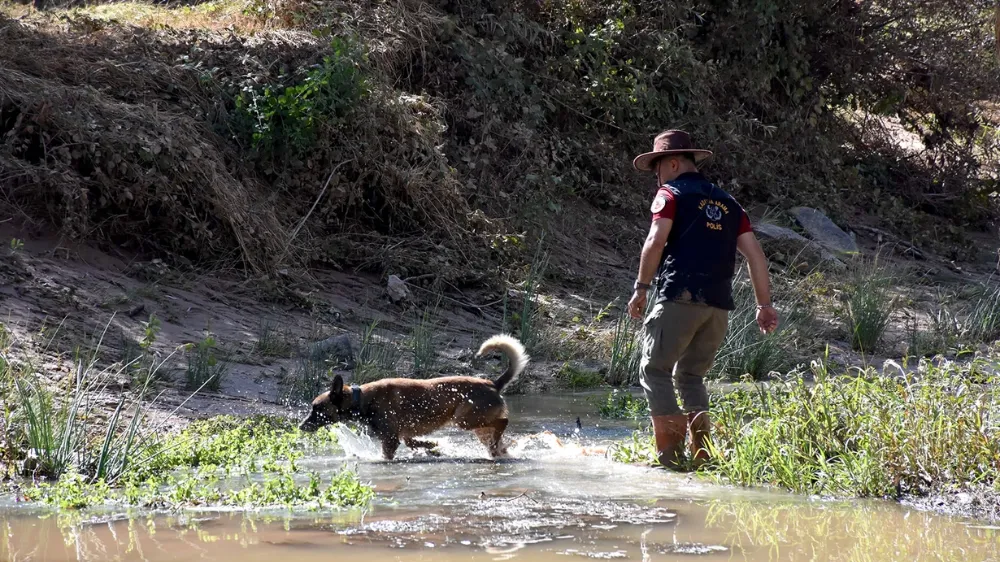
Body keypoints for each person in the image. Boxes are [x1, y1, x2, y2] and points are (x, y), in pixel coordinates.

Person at [627, 130, 778, 470]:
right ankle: (702, 454)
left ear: (674, 162)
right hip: (718, 307)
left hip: (679, 296)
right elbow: (756, 256)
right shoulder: (729, 203)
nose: (657, 177)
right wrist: (763, 305)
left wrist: (641, 287)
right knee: (692, 377)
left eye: (658, 169)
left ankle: (670, 459)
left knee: (655, 370)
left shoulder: (670, 195)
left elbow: (655, 240)